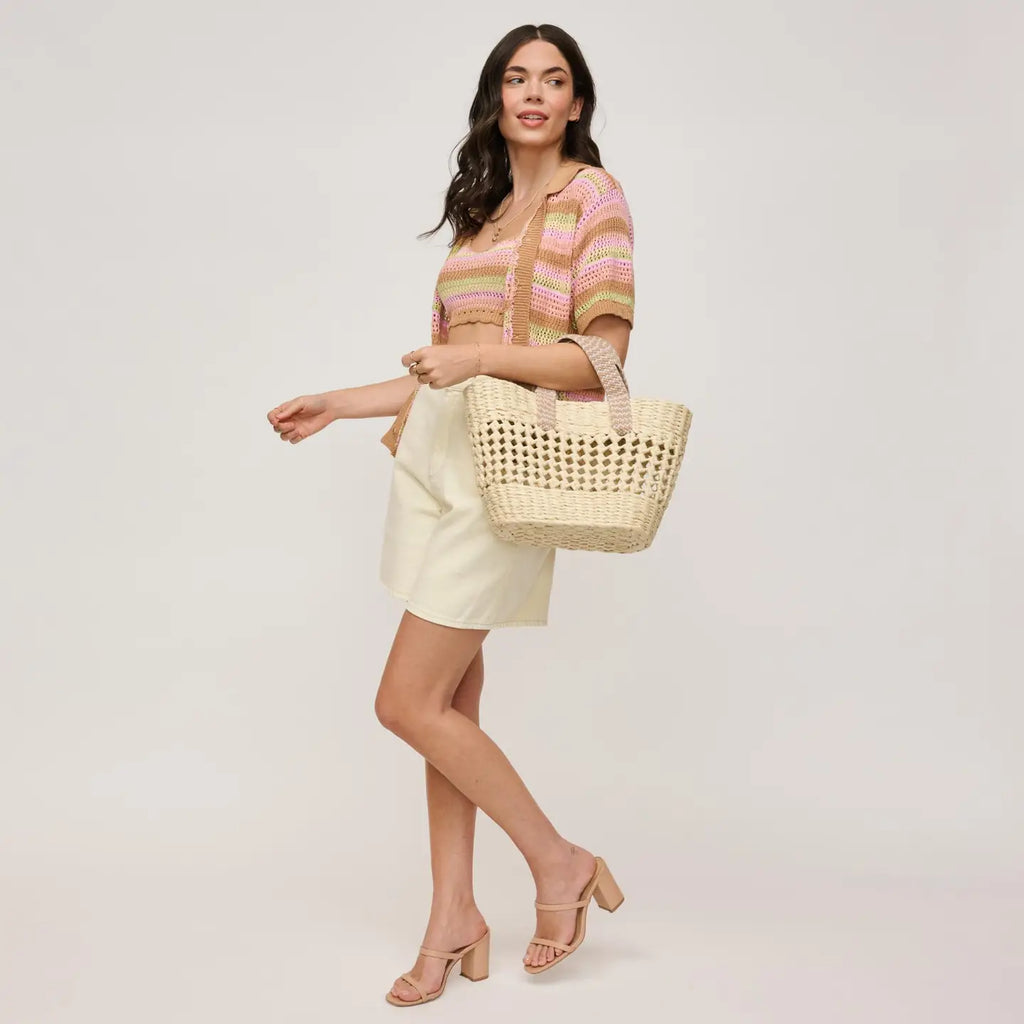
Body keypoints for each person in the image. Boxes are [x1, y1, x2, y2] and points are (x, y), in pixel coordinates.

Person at [267, 23, 633, 1007]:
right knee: (448, 711)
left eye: (553, 80)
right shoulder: (482, 212)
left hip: (506, 478)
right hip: (436, 464)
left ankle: (558, 861)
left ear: (577, 103)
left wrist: (475, 360)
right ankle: (454, 916)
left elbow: (600, 359)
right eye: (516, 77)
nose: (533, 93)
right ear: (495, 97)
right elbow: (441, 368)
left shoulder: (591, 199)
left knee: (405, 702)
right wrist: (341, 402)